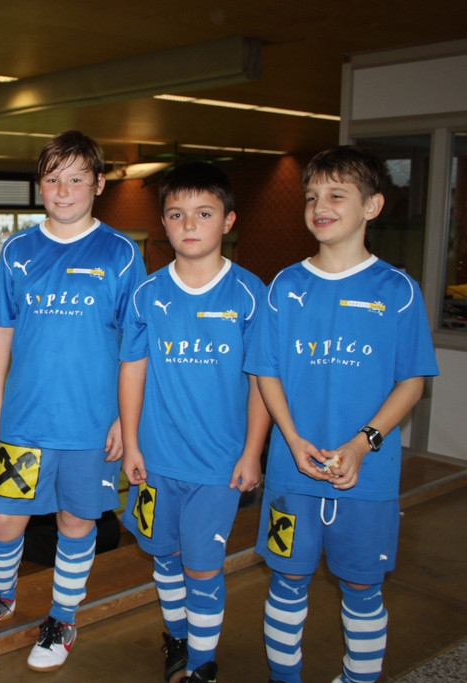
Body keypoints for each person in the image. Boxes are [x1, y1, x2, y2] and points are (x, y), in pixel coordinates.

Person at [245, 146, 439, 683]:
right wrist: (290, 439)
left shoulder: (397, 291)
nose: (319, 207)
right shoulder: (285, 286)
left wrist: (361, 444)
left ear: (372, 206)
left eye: (336, 195)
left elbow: (413, 382)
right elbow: (266, 373)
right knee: (287, 583)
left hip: (368, 479)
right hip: (292, 476)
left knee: (361, 587)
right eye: (311, 197)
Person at [0, 130, 144, 671]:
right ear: (40, 185)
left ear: (99, 184)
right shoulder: (18, 251)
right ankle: (0, 596)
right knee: (5, 519)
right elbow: (0, 333)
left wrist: (124, 421)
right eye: (53, 179)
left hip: (91, 426)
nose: (63, 191)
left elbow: (135, 349)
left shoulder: (121, 254)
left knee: (76, 523)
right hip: (27, 423)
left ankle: (62, 618)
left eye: (76, 179)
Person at [118, 162, 270, 683]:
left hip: (218, 465)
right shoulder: (147, 294)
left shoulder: (250, 293)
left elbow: (262, 382)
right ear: (163, 222)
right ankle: (179, 641)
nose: (189, 224)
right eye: (177, 213)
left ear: (228, 220)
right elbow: (132, 371)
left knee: (202, 565)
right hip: (158, 460)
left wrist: (252, 452)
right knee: (164, 555)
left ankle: (203, 665)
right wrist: (132, 443)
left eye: (204, 213)